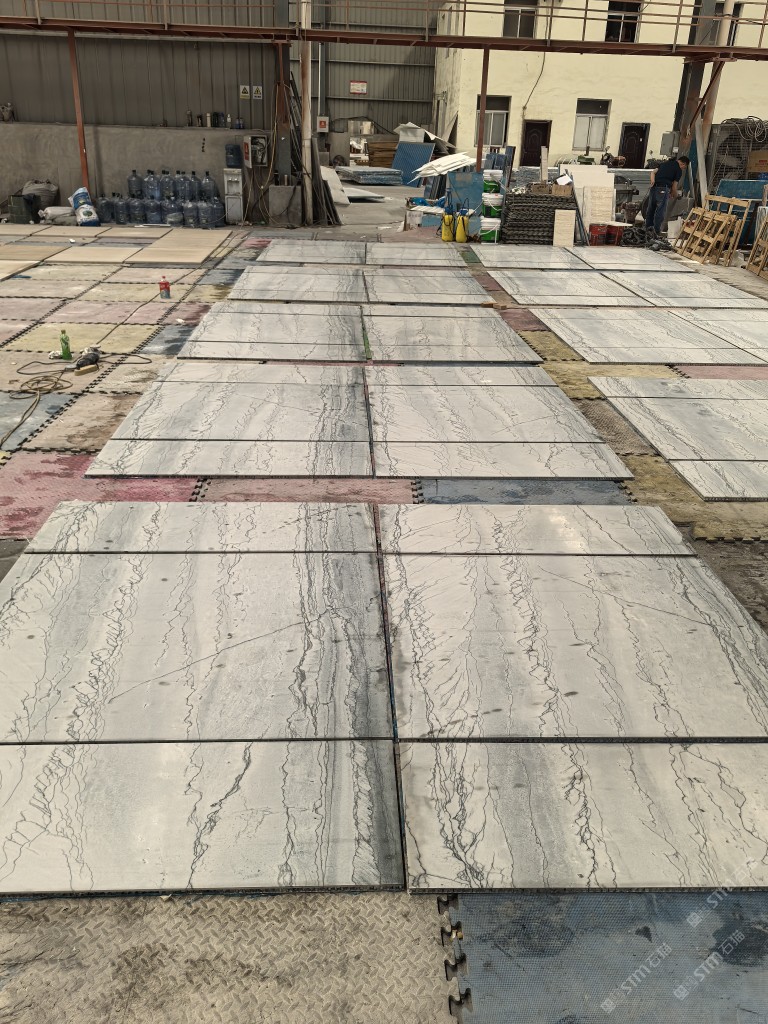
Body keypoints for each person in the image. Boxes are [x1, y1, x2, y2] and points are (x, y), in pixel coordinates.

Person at [645, 155, 690, 235]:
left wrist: (652, 180)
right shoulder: (678, 170)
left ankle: (647, 230)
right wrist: (676, 195)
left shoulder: (665, 163)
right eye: (684, 167)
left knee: (651, 209)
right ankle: (656, 232)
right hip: (663, 188)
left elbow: (653, 172)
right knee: (660, 211)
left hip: (654, 187)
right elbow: (674, 186)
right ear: (683, 164)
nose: (683, 169)